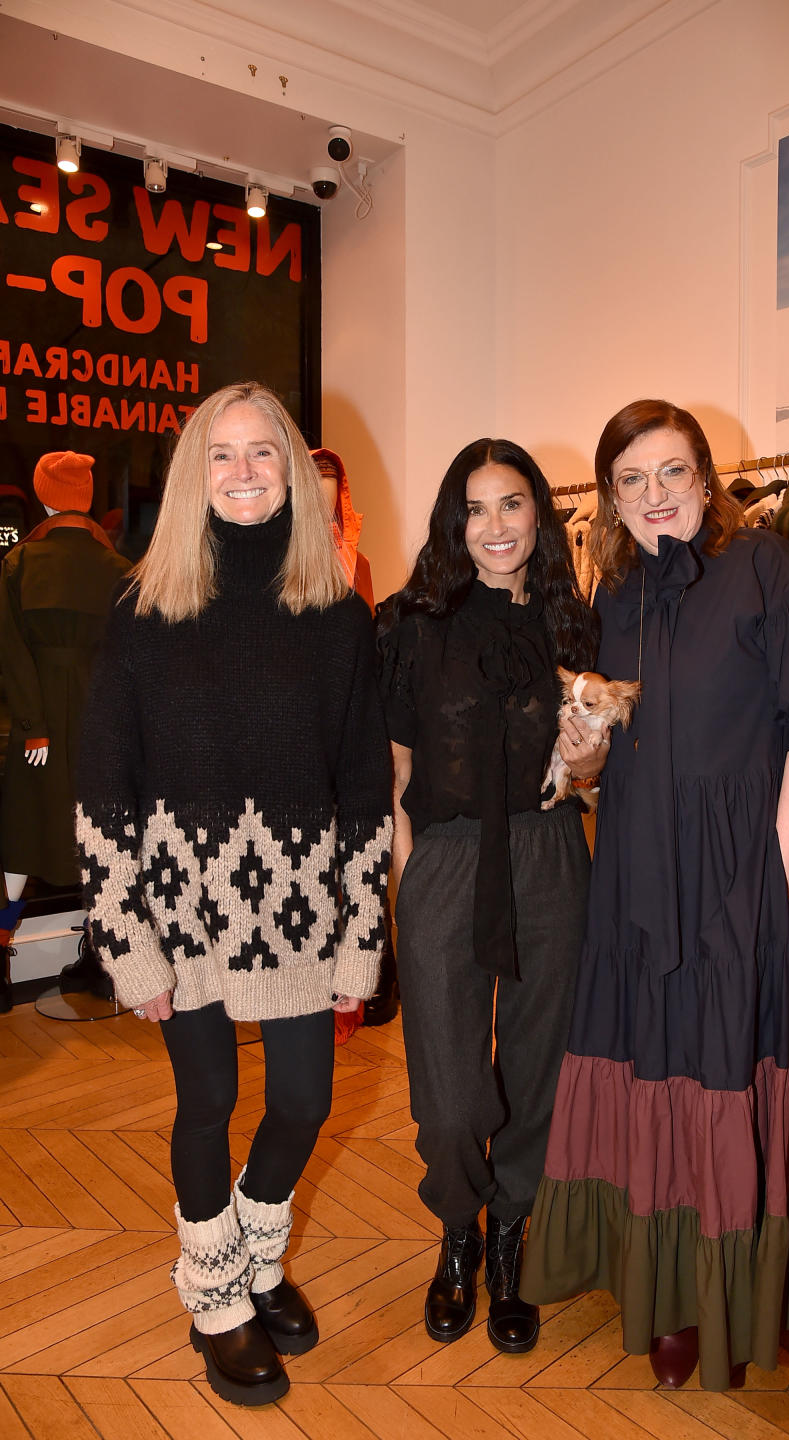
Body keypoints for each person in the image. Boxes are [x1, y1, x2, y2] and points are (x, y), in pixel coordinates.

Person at [521, 400, 789, 1391]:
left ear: (706, 480)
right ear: (611, 501)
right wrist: (577, 755)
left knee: (741, 1073)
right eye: (631, 479)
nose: (654, 495)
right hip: (637, 872)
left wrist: (777, 872)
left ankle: (760, 1288)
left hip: (747, 873)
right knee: (660, 1071)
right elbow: (592, 748)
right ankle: (672, 1293)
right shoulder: (608, 599)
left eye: (671, 472)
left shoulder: (765, 569)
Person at [75, 382, 392, 1407]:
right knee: (208, 1098)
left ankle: (255, 1256)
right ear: (191, 473)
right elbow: (104, 782)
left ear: (294, 469)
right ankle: (214, 1297)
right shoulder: (143, 607)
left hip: (300, 904)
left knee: (303, 1100)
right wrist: (129, 943)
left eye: (265, 453)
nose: (246, 473)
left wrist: (360, 939)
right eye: (223, 455)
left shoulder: (335, 607)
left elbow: (361, 787)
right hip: (181, 905)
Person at [377, 438, 601, 1354]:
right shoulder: (410, 623)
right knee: (450, 1095)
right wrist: (408, 880)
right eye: (475, 508)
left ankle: (510, 1234)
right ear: (451, 521)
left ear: (539, 516)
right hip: (446, 862)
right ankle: (456, 1229)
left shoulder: (573, 622)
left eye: (512, 505)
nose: (495, 527)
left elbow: (592, 771)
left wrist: (589, 766)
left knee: (541, 1068)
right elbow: (392, 768)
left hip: (550, 855)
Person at [0, 451, 130, 1009]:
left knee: (20, 842)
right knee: (101, 843)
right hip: (104, 725)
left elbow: (9, 653)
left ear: (45, 494)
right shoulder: (120, 569)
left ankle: (1, 958)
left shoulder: (20, 563)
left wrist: (32, 725)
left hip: (40, 727)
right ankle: (104, 960)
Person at [311, 446, 399, 1029]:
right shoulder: (279, 571)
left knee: (360, 863)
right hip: (300, 740)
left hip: (354, 733)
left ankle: (364, 985)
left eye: (330, 497)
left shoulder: (357, 565)